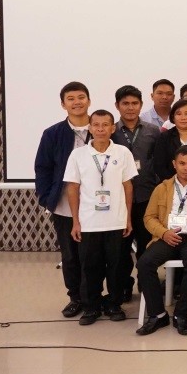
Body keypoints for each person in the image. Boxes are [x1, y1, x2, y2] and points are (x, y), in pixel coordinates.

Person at [64, 109, 137, 325]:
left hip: (116, 221)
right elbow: (72, 188)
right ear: (90, 127)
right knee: (89, 267)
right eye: (96, 125)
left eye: (106, 125)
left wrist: (128, 218)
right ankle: (91, 307)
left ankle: (114, 304)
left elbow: (128, 187)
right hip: (88, 223)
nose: (101, 129)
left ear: (113, 128)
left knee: (116, 266)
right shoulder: (78, 155)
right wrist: (76, 221)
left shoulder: (123, 152)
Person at [136, 146, 187, 336]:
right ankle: (157, 314)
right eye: (182, 163)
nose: (186, 168)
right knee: (144, 263)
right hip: (167, 236)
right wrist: (163, 233)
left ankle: (181, 315)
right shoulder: (161, 188)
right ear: (174, 164)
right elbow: (149, 217)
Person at [34, 81, 91, 318]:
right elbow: (43, 168)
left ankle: (95, 298)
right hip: (65, 206)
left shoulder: (103, 127)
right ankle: (76, 298)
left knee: (96, 255)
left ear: (89, 100)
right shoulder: (53, 134)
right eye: (71, 98)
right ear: (63, 104)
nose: (77, 102)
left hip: (98, 206)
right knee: (70, 255)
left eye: (81, 97)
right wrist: (47, 199)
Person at [111, 85, 161, 303]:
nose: (130, 108)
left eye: (134, 103)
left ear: (141, 105)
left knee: (145, 244)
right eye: (125, 104)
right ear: (117, 106)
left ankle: (145, 281)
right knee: (120, 248)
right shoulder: (110, 131)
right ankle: (123, 285)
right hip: (118, 199)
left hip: (147, 196)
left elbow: (158, 163)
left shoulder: (153, 130)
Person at [151, 99, 187, 184]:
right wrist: (174, 183)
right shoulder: (164, 137)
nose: (183, 117)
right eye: (178, 114)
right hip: (170, 184)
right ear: (173, 117)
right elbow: (159, 165)